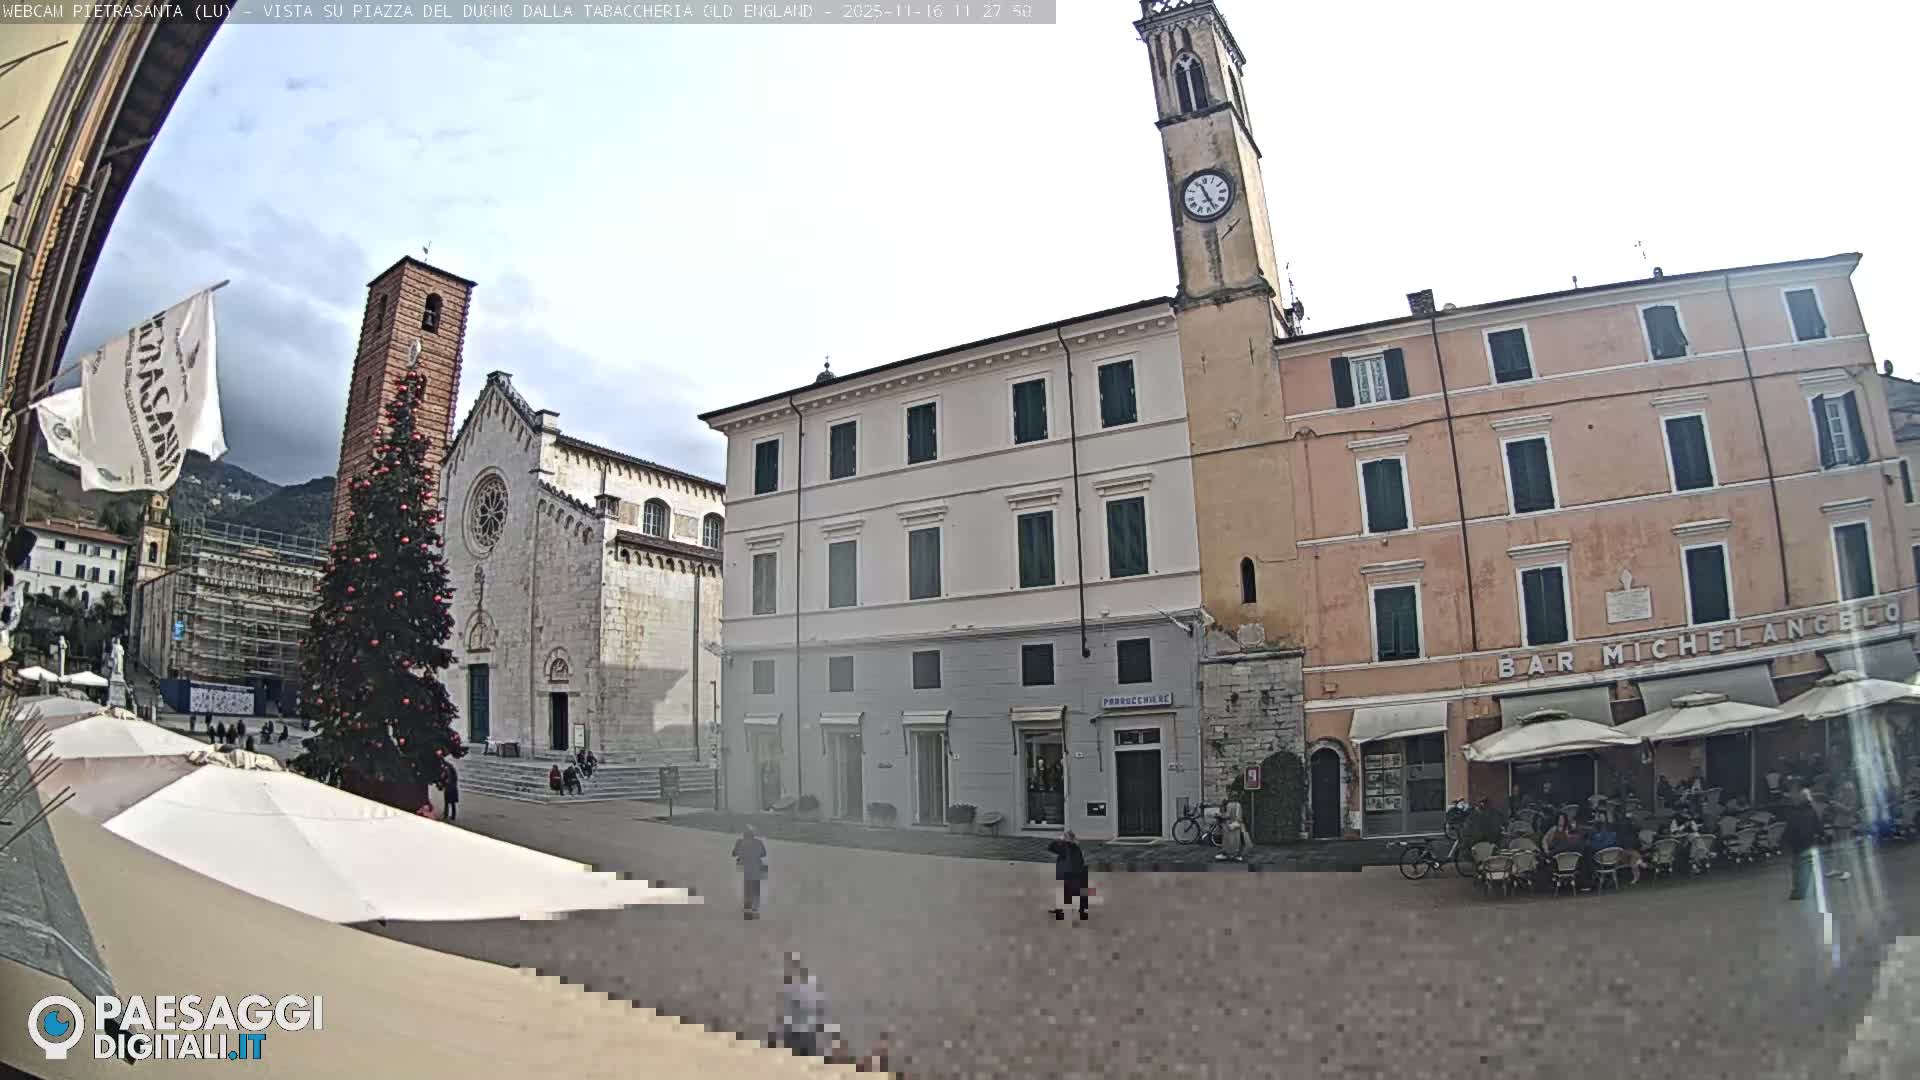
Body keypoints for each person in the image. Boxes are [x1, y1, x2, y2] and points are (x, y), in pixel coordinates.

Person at [776, 952, 826, 1057]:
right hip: (795, 1032)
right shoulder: (788, 985)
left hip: (805, 1033)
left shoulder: (810, 984)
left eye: (795, 964)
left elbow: (819, 1008)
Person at [1784, 779, 1823, 900]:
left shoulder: (1796, 812)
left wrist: (1785, 839)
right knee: (1804, 866)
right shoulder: (1811, 810)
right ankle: (1804, 890)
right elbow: (1817, 825)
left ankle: (1799, 891)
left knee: (1799, 866)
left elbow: (1791, 827)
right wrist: (1820, 834)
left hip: (1799, 842)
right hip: (1808, 841)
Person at [1047, 830, 1090, 921]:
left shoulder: (1066, 847)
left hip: (1071, 873)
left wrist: (1059, 839)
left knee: (1072, 892)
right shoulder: (1075, 847)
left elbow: (1050, 847)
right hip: (1078, 872)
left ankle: (1077, 911)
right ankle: (1082, 911)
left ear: (1067, 838)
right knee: (1078, 891)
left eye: (1065, 836)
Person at [733, 825, 767, 919]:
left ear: (745, 835)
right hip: (758, 867)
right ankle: (755, 907)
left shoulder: (740, 842)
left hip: (748, 868)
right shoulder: (759, 842)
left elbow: (734, 853)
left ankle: (747, 906)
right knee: (756, 887)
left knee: (747, 886)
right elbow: (764, 854)